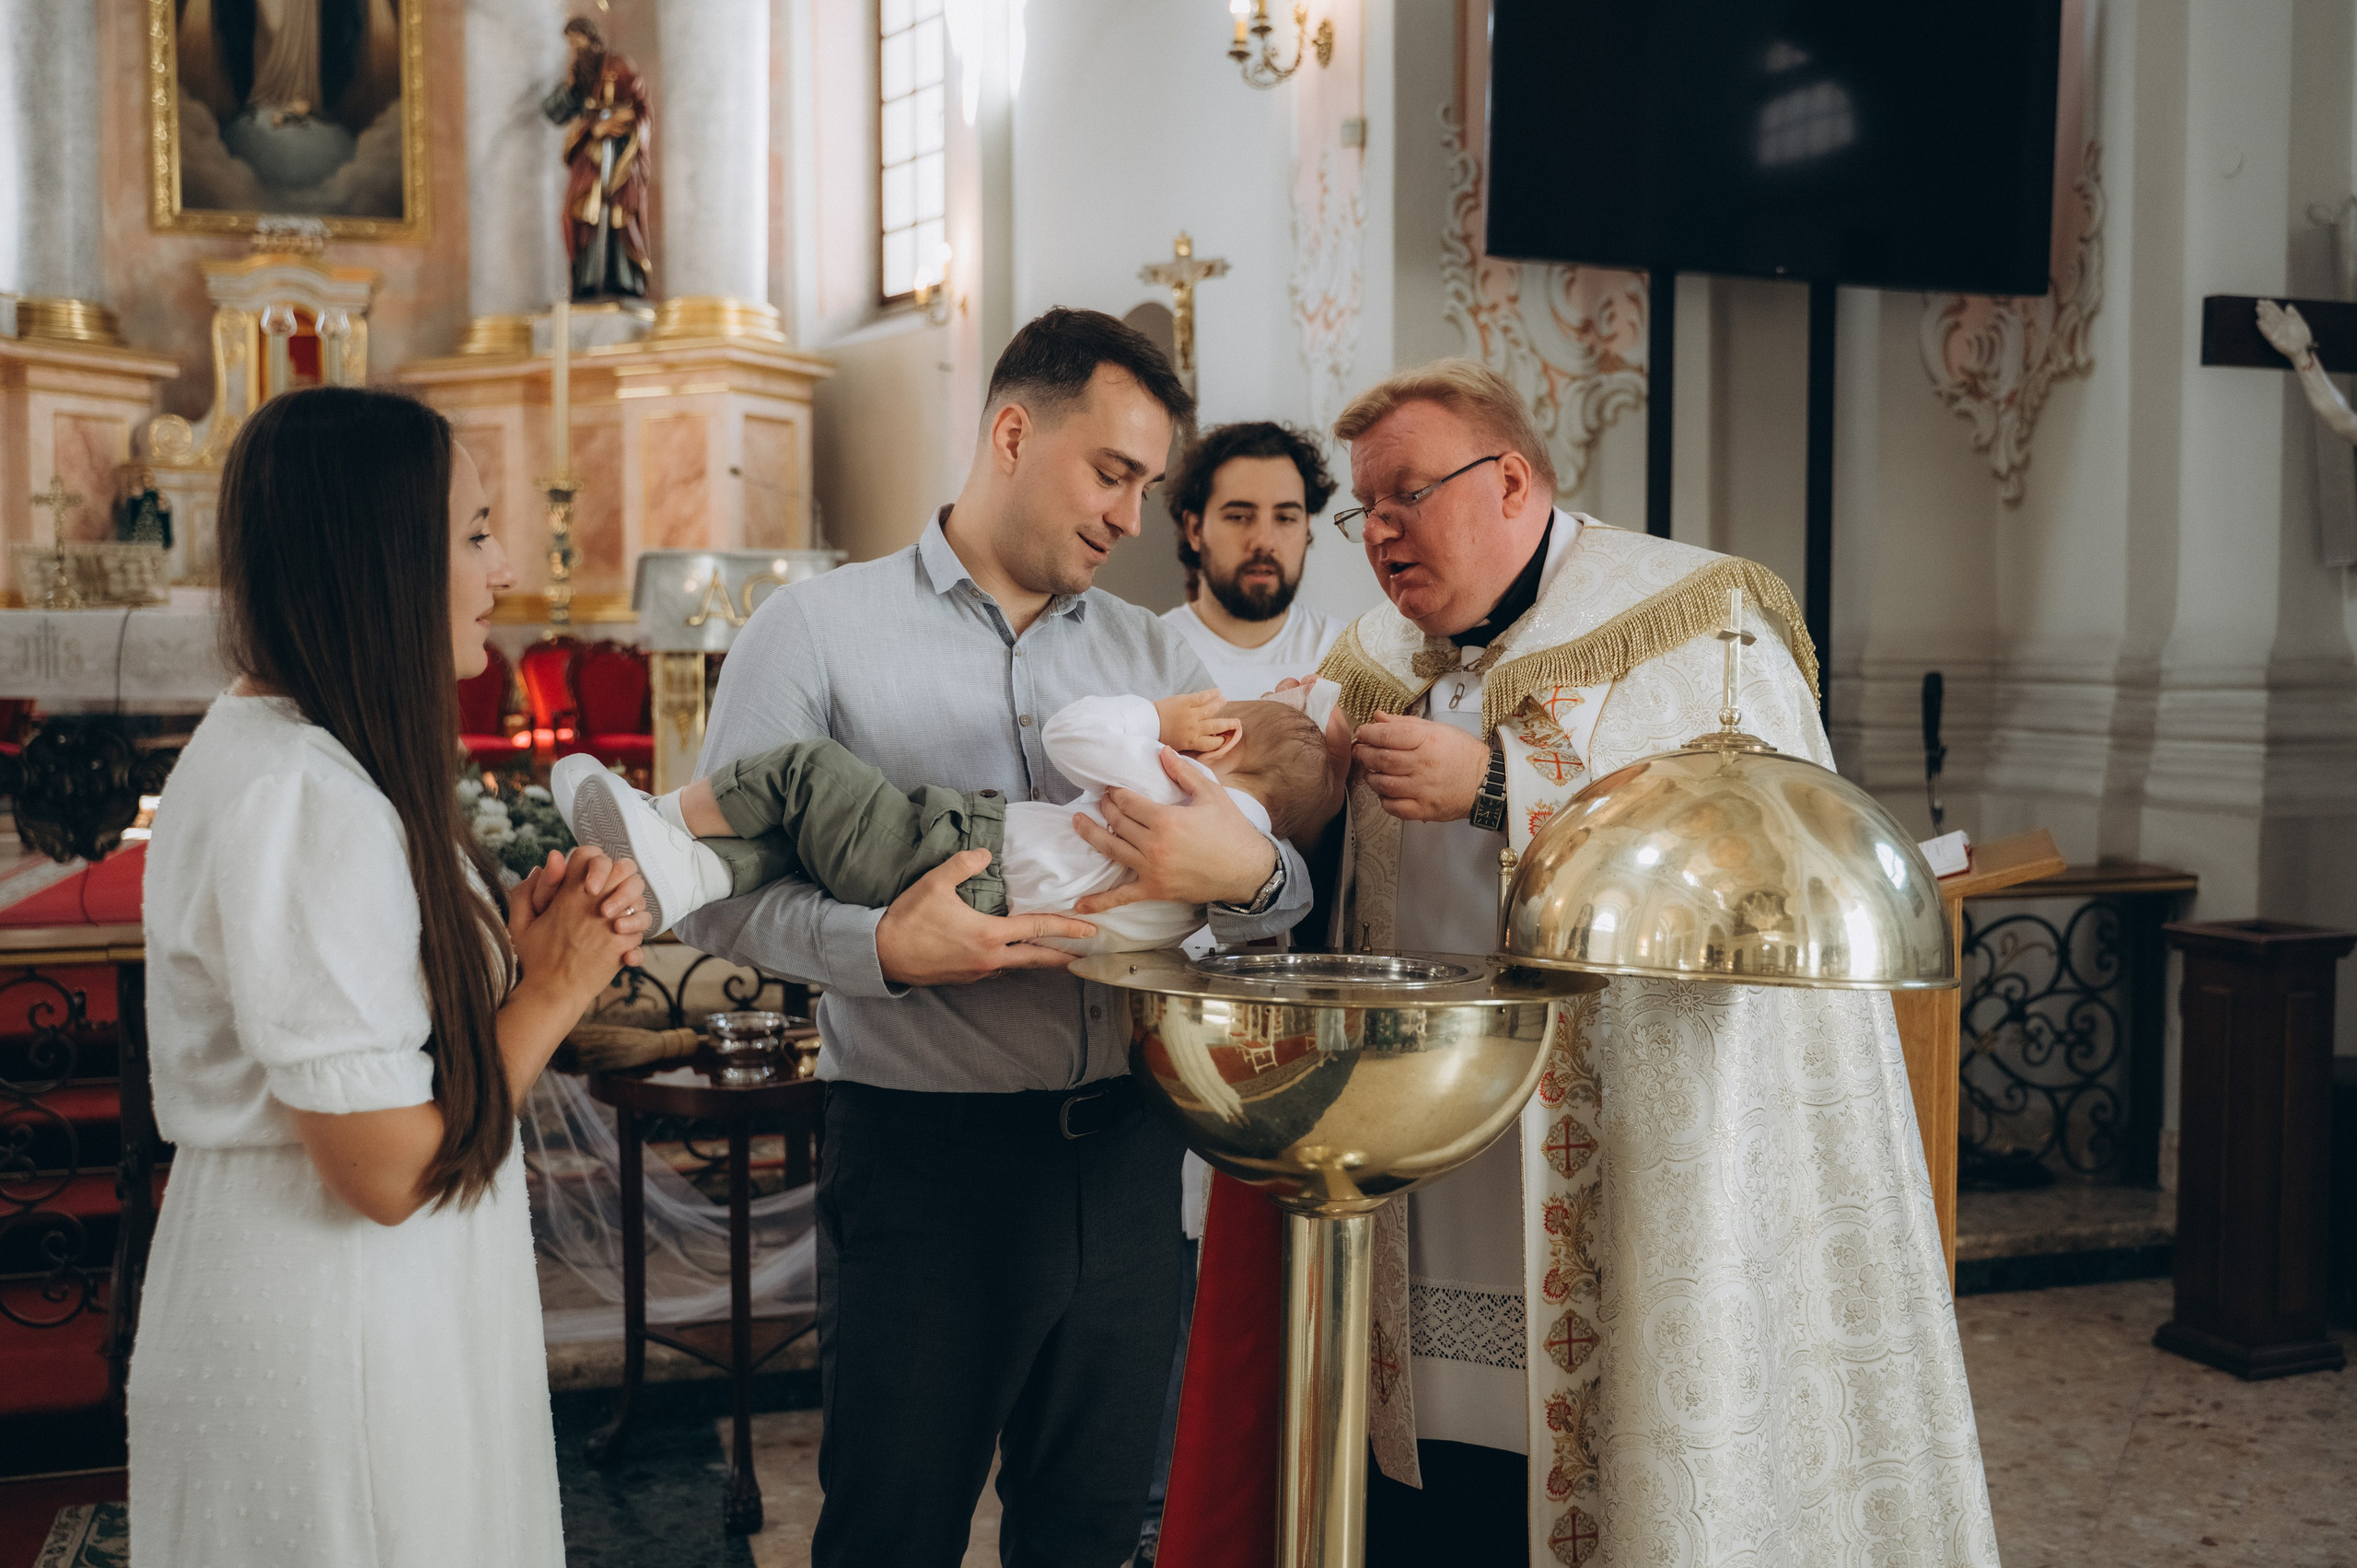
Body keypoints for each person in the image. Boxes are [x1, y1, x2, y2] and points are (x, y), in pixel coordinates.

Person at [1158, 360, 1998, 1568]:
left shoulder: (1698, 621)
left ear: (1511, 480)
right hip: (1429, 1172)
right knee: (1434, 1489)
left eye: (1409, 495)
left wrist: (1500, 784)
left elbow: (1742, 849)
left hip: (1631, 1154)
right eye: (1364, 509)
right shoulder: (1373, 653)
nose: (1380, 532)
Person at [671, 308, 1314, 1568]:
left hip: (1130, 1156)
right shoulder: (815, 631)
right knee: (890, 1533)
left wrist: (1246, 871)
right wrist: (887, 950)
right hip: (928, 1162)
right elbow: (714, 896)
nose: (1134, 517)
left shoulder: (1148, 651)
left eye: (1147, 485)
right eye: (1113, 473)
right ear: (1014, 432)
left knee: (1091, 1535)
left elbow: (1278, 891)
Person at [126, 387, 651, 1566]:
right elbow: (386, 1165)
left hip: (354, 1305)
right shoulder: (305, 798)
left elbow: (368, 1021)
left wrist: (505, 964)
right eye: (471, 532)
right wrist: (551, 992)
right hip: (334, 1325)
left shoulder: (289, 752)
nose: (502, 567)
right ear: (376, 555)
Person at [552, 690, 1333, 952]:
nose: (1129, 513)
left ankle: (656, 819)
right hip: (994, 901)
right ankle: (691, 873)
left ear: (1221, 738)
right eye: (1111, 473)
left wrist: (1156, 715)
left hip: (963, 854)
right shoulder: (1212, 873)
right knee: (798, 842)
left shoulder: (1186, 788)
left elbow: (1072, 734)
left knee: (808, 771)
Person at [1161, 420, 1347, 702]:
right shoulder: (1154, 654)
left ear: (1306, 527)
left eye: (1285, 518)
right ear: (1195, 529)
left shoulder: (1343, 654)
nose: (1263, 541)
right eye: (1238, 516)